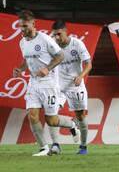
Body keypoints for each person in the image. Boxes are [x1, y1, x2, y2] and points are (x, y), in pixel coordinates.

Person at [13, 10, 80, 156]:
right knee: (32, 115)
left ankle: (73, 124)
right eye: (20, 26)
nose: (22, 29)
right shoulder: (22, 42)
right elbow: (26, 60)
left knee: (51, 120)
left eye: (25, 26)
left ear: (33, 24)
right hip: (33, 83)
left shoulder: (44, 39)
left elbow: (60, 56)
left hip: (49, 84)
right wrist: (20, 68)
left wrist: (47, 68)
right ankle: (44, 148)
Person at [48, 20, 92, 155]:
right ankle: (55, 145)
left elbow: (89, 64)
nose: (56, 37)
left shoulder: (77, 44)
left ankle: (83, 147)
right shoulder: (52, 45)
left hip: (75, 84)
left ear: (66, 31)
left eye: (59, 34)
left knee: (81, 116)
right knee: (51, 113)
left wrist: (81, 76)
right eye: (54, 35)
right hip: (58, 84)